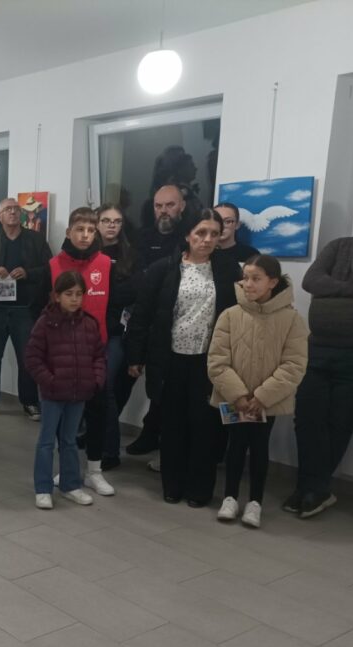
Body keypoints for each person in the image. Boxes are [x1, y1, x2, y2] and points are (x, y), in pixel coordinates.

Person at [125, 209, 242, 507]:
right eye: (201, 233)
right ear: (188, 234)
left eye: (214, 234)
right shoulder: (164, 269)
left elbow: (240, 316)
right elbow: (142, 315)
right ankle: (173, 484)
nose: (207, 239)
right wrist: (135, 356)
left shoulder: (228, 270)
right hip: (171, 358)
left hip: (209, 361)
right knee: (172, 424)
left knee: (206, 426)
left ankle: (199, 488)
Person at [286, 184, 353, 518]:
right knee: (307, 420)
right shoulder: (337, 246)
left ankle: (310, 490)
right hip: (318, 348)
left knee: (338, 424)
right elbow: (312, 281)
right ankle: (313, 488)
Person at [208, 255, 308, 529]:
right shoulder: (230, 315)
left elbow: (294, 364)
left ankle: (255, 502)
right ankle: (230, 497)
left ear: (272, 282)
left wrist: (262, 396)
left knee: (260, 447)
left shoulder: (292, 320)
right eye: (246, 278)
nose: (248, 284)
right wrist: (238, 395)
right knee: (235, 444)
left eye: (256, 279)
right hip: (236, 399)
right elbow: (217, 360)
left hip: (267, 402)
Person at [48, 207, 115, 497]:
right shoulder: (54, 265)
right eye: (79, 229)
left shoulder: (106, 263)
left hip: (95, 354)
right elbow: (45, 309)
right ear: (69, 232)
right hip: (63, 354)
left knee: (98, 412)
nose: (85, 235)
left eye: (90, 230)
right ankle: (67, 469)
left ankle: (94, 472)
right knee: (66, 418)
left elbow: (113, 307)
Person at [25, 270, 106, 509]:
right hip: (52, 394)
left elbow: (99, 356)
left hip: (79, 393)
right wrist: (49, 381)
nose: (74, 299)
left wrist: (95, 380)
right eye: (69, 294)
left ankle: (71, 485)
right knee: (46, 441)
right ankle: (43, 488)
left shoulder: (89, 324)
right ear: (57, 296)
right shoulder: (45, 323)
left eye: (79, 294)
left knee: (69, 441)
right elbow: (32, 358)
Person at [126, 184, 194, 457]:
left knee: (166, 387)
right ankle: (105, 435)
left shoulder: (189, 238)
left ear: (182, 206)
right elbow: (135, 276)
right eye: (159, 205)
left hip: (175, 322)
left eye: (170, 205)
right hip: (142, 316)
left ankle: (154, 436)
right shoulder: (142, 238)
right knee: (127, 378)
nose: (164, 211)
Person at [0, 198, 51, 420]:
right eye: (7, 209)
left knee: (27, 359)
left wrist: (28, 273)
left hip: (25, 309)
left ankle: (30, 402)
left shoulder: (35, 239)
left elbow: (50, 269)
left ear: (21, 214)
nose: (13, 212)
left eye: (16, 209)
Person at [96, 204, 143, 470]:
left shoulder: (131, 255)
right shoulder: (88, 252)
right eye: (106, 220)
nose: (111, 225)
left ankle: (109, 451)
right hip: (87, 330)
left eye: (116, 221)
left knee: (106, 388)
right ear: (97, 223)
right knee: (89, 388)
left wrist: (102, 294)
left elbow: (133, 291)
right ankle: (89, 436)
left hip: (115, 332)